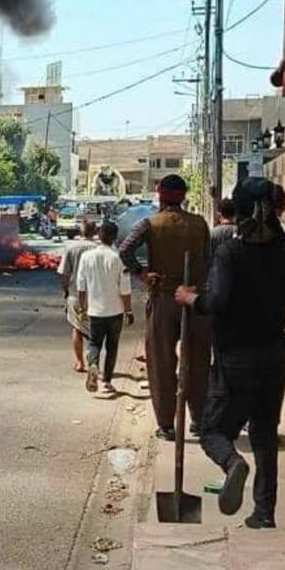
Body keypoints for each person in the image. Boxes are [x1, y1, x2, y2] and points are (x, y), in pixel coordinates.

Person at [176, 178, 285, 528]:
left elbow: (217, 302)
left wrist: (190, 298)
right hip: (275, 353)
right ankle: (264, 513)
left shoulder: (231, 252)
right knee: (265, 434)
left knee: (212, 431)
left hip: (235, 357)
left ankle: (232, 464)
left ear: (239, 210)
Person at [119, 174, 210, 441]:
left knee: (161, 361)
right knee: (198, 362)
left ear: (160, 195)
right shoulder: (200, 223)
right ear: (183, 196)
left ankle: (167, 424)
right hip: (195, 299)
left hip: (164, 298)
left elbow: (125, 250)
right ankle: (199, 419)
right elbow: (208, 258)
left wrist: (142, 273)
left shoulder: (149, 223)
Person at [77, 220, 133, 397]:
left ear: (99, 235)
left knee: (94, 343)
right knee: (112, 346)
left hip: (95, 311)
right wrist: (129, 310)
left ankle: (93, 364)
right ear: (115, 237)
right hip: (115, 311)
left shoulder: (87, 257)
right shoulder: (118, 258)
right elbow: (125, 289)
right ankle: (107, 382)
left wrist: (82, 307)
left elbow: (81, 285)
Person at [58, 218, 98, 372]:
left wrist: (66, 290)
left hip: (75, 294)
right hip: (96, 295)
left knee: (77, 328)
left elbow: (64, 274)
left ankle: (80, 362)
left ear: (80, 231)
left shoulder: (71, 248)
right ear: (95, 231)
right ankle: (94, 361)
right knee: (96, 329)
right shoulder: (100, 248)